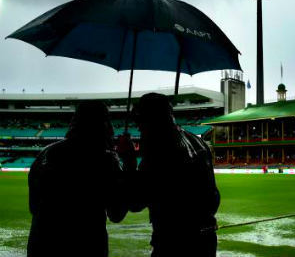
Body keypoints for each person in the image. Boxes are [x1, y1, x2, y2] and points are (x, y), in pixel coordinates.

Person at [27, 101, 134, 257]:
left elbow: (34, 207)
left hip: (41, 246)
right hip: (86, 247)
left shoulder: (44, 153)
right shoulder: (105, 160)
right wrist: (129, 164)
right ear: (103, 125)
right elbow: (116, 214)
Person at [130, 93, 220, 257]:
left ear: (151, 119)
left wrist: (128, 161)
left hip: (173, 243)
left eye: (140, 121)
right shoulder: (197, 141)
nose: (139, 128)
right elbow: (214, 197)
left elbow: (135, 202)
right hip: (206, 240)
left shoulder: (158, 149)